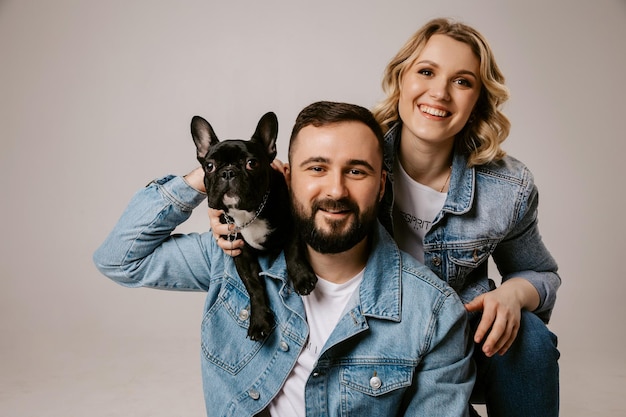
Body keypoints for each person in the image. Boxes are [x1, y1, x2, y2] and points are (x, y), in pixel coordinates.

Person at [212, 17, 560, 417]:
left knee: (530, 338)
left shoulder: (507, 187)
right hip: (364, 338)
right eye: (426, 72)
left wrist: (513, 293)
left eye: (462, 82)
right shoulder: (356, 152)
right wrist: (228, 214)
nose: (440, 93)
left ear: (479, 98)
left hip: (453, 335)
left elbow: (541, 274)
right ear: (401, 79)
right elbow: (280, 182)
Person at [93, 101, 475, 417]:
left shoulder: (434, 314)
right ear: (287, 177)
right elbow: (118, 259)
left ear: (381, 186)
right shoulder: (228, 255)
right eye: (317, 168)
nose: (335, 189)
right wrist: (209, 176)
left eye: (356, 171)